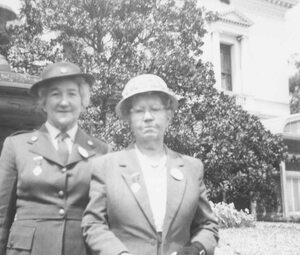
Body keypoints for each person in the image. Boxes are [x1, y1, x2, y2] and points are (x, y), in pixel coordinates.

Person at [0, 62, 111, 255]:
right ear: (43, 101)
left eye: (72, 94)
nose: (64, 102)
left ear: (83, 100)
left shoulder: (102, 151)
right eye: (55, 94)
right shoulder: (17, 146)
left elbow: (108, 219)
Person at [82, 74, 219, 255]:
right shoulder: (106, 166)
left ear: (168, 115)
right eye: (139, 110)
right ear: (129, 118)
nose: (147, 117)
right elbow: (93, 224)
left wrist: (197, 249)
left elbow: (208, 225)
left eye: (155, 109)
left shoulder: (192, 168)